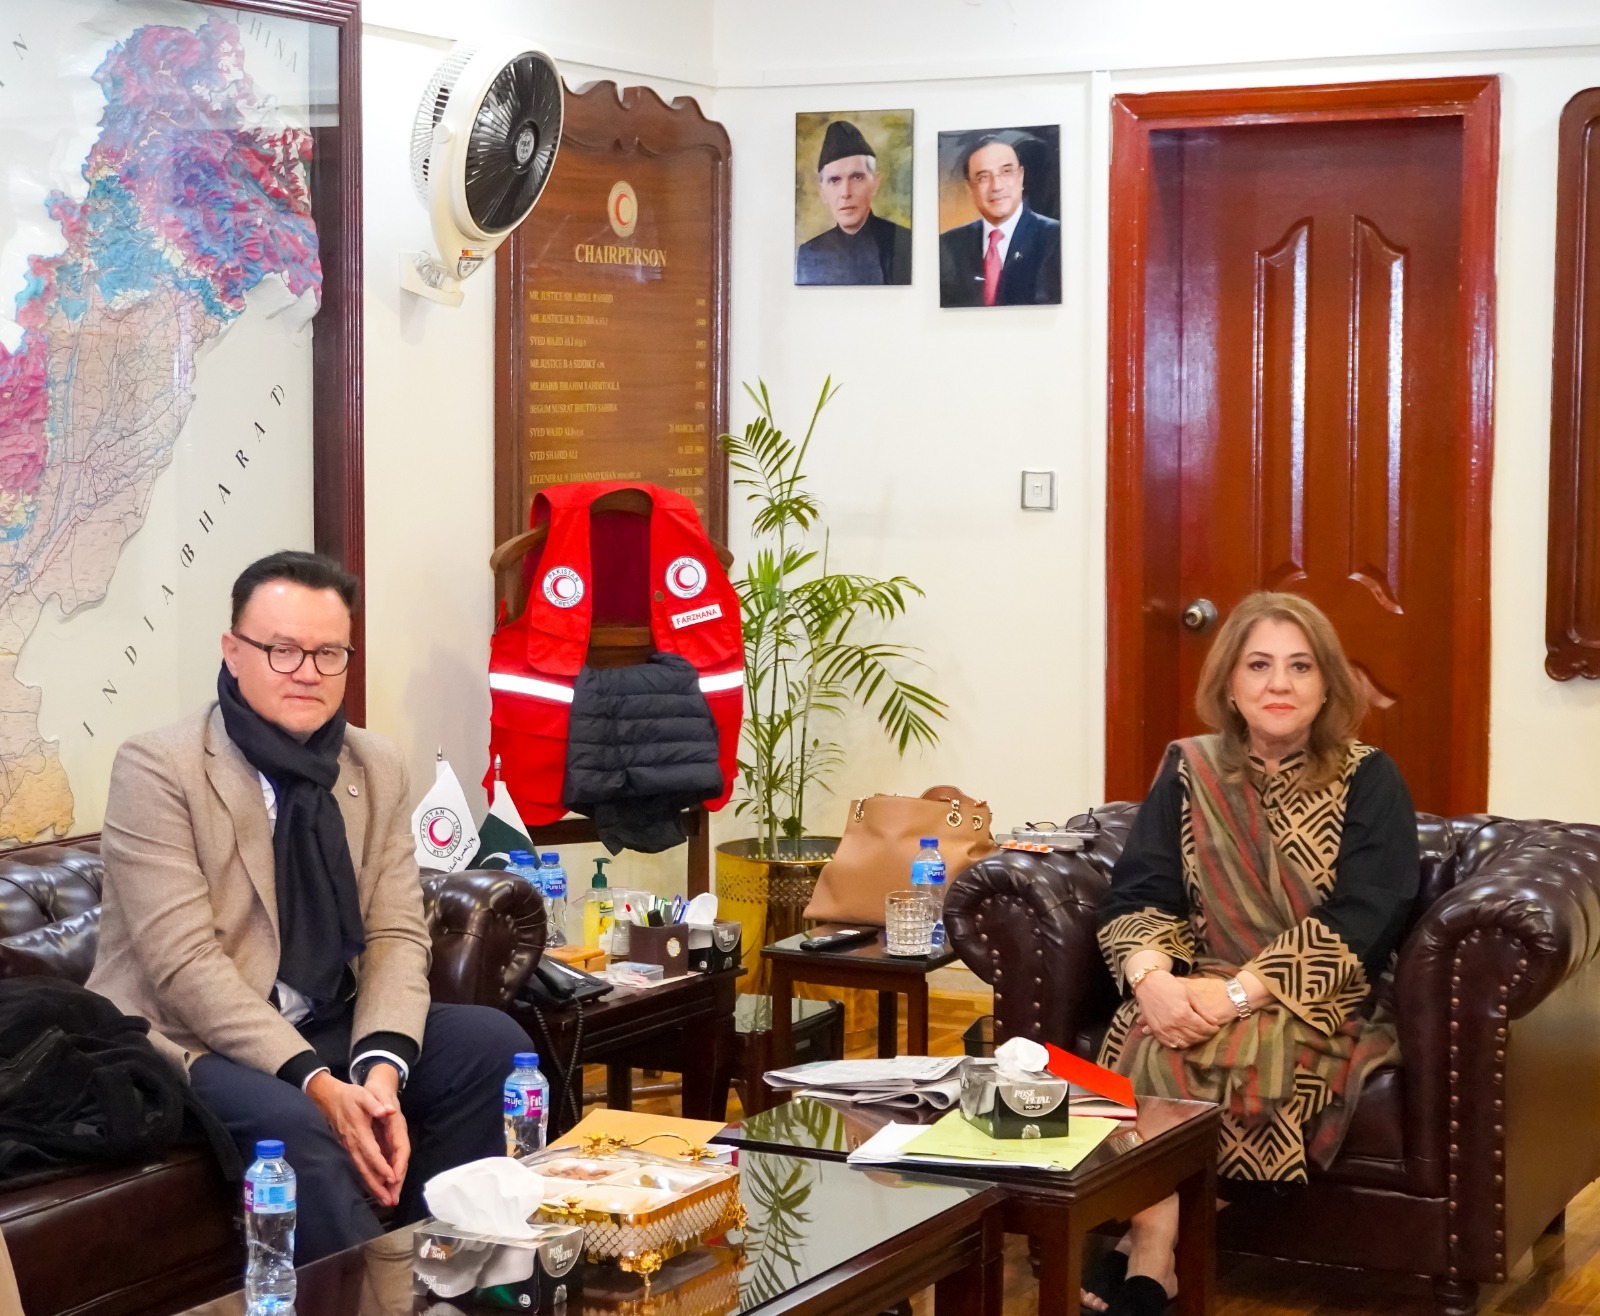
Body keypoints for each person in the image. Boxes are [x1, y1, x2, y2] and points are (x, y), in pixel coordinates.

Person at [85, 550, 533, 1262]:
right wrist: (319, 1083)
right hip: (191, 1036)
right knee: (296, 1125)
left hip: (325, 1018)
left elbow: (395, 933)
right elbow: (184, 966)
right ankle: (374, 1298)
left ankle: (448, 1266)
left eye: (329, 653)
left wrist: (381, 1072)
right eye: (282, 649)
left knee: (491, 1047)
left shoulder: (373, 764)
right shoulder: (159, 766)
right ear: (233, 651)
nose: (307, 672)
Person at [1086, 592, 1419, 1316]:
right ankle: (1156, 1251)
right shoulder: (1190, 770)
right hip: (1197, 977)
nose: (1279, 684)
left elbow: (1367, 916)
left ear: (1327, 685)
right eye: (1259, 665)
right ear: (1230, 684)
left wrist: (1238, 992)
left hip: (1317, 995)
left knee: (1214, 1050)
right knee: (1150, 1033)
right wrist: (1151, 981)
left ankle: (1147, 1250)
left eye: (1300, 667)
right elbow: (1140, 892)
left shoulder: (1369, 777)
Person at [938, 133, 1061, 307]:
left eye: (1006, 172)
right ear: (970, 188)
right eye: (983, 177)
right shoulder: (948, 245)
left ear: (1021, 176)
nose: (996, 186)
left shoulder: (1056, 238)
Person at [794, 119, 912, 286]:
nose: (845, 193)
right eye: (834, 180)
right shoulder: (809, 253)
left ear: (875, 184)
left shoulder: (905, 243)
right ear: (823, 192)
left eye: (857, 177)